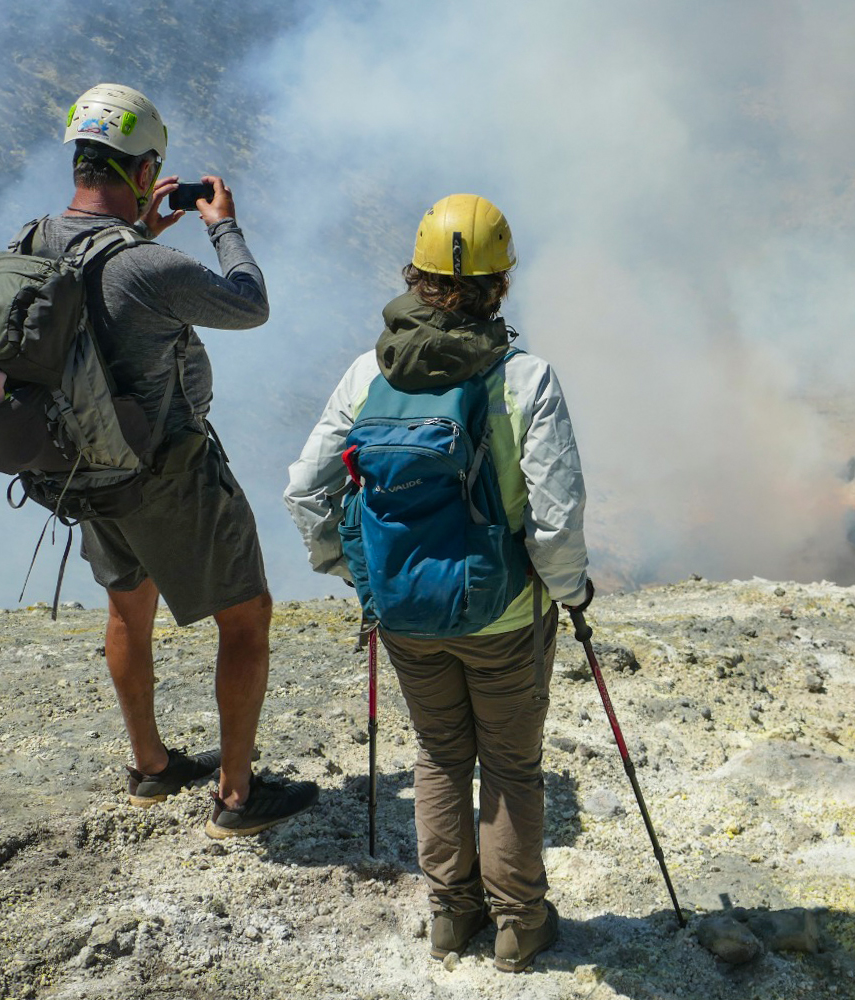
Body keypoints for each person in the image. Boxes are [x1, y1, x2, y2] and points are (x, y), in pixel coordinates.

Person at [285, 193, 592, 973]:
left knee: (439, 754)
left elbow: (305, 492)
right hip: (502, 616)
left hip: (404, 617)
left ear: (414, 277)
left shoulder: (366, 374)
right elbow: (555, 520)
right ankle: (520, 923)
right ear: (501, 285)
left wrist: (359, 576)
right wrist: (571, 594)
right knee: (512, 765)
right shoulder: (525, 378)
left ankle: (451, 915)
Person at [39, 83, 317, 838]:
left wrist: (141, 230)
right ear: (146, 166)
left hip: (83, 471)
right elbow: (248, 303)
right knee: (247, 616)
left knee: (129, 607)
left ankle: (151, 765)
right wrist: (221, 228)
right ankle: (236, 795)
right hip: (166, 474)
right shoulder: (147, 266)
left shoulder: (32, 241)